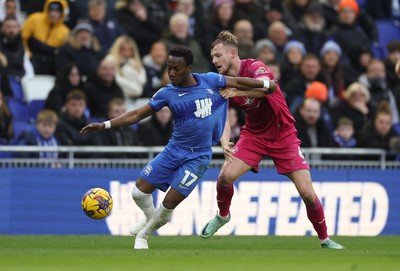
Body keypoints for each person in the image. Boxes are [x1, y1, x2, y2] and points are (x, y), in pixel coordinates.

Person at [79, 45, 277, 249]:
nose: (172, 73)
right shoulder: (167, 93)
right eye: (169, 68)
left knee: (168, 204)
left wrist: (264, 83)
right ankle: (150, 218)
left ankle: (144, 236)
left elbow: (237, 82)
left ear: (189, 68)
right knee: (138, 193)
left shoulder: (210, 80)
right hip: (174, 150)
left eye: (177, 68)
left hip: (198, 156)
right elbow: (137, 114)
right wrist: (105, 125)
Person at [200, 31, 345, 249]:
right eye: (212, 57)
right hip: (254, 136)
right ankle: (222, 216)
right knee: (224, 178)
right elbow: (224, 118)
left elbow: (269, 87)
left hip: (283, 135)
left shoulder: (255, 67)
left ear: (232, 53)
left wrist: (236, 90)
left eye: (218, 55)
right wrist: (225, 142)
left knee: (306, 192)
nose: (214, 61)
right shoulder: (222, 83)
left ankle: (325, 239)